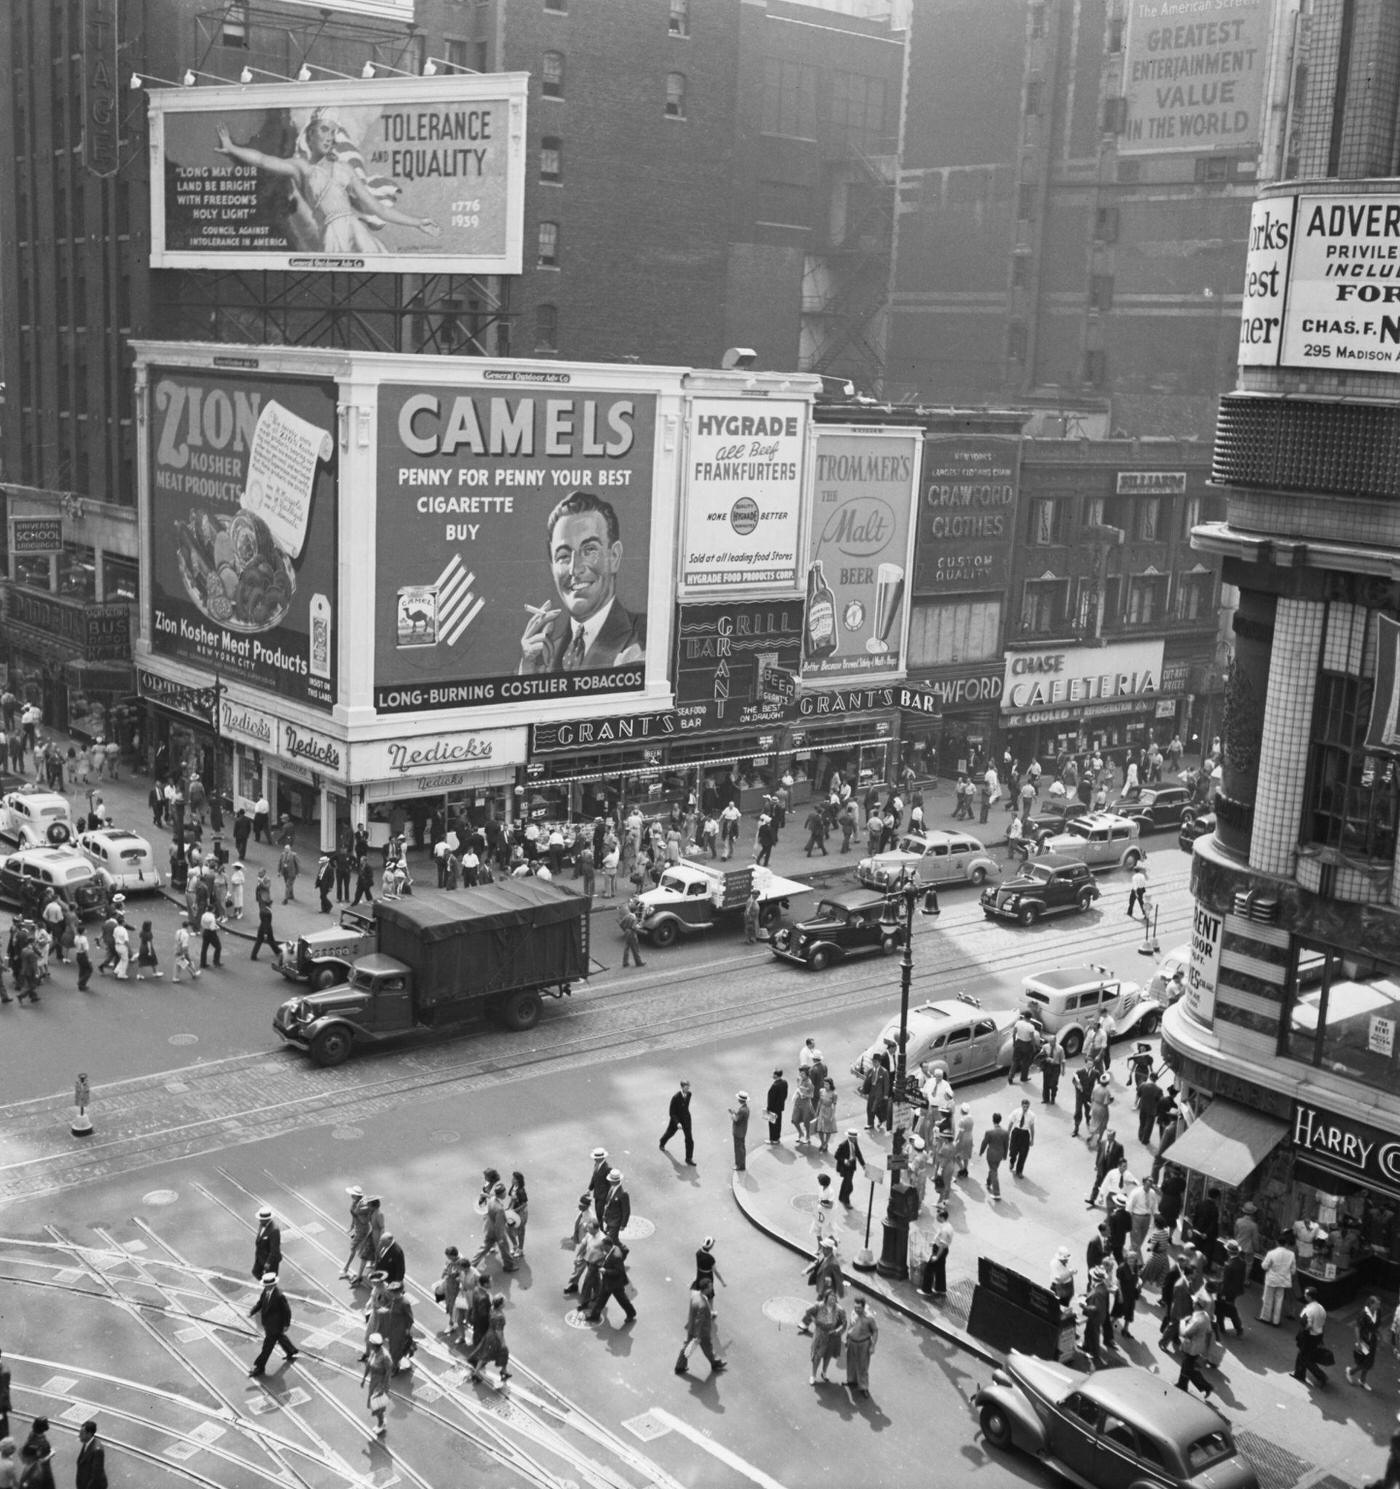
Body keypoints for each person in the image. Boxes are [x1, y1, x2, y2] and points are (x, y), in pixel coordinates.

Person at [216, 112, 442, 254]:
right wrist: (232, 148)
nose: (330, 137)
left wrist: (417, 222)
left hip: (356, 229)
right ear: (310, 135)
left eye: (333, 132)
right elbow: (264, 160)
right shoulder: (301, 167)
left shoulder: (345, 170)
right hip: (333, 233)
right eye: (324, 130)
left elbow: (379, 209)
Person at [519, 492, 647, 673]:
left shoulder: (643, 639)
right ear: (552, 566)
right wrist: (527, 669)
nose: (574, 569)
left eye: (589, 550)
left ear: (614, 556)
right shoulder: (546, 655)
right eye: (563, 556)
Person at [248, 1273, 297, 1376]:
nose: (264, 1287)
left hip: (275, 1326)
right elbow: (260, 1303)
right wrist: (252, 1311)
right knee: (280, 1338)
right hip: (269, 1324)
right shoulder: (265, 1292)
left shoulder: (279, 1296)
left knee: (267, 1348)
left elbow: (286, 1311)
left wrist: (286, 1325)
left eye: (266, 1285)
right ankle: (291, 1350)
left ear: (272, 1285)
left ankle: (259, 1367)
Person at [675, 1284, 726, 1377]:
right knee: (707, 1348)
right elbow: (699, 1321)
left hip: (691, 1327)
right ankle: (714, 1363)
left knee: (686, 1347)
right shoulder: (703, 1305)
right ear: (705, 1289)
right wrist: (697, 1336)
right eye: (710, 1287)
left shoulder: (695, 1296)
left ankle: (679, 1366)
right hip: (702, 1332)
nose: (711, 1289)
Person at [584, 1237, 636, 1324]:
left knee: (622, 1300)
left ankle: (631, 1313)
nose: (602, 1248)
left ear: (607, 1246)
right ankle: (594, 1316)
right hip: (608, 1282)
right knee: (601, 1299)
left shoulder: (615, 1256)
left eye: (603, 1246)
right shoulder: (613, 1249)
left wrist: (606, 1271)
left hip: (615, 1284)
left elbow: (619, 1271)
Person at [1176, 1294, 1214, 1398]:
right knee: (1187, 1367)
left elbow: (1185, 1333)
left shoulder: (1197, 1320)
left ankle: (1206, 1386)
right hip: (1198, 1347)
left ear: (1196, 1305)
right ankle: (1182, 1384)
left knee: (1188, 1368)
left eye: (1194, 1302)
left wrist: (1182, 1322)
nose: (1192, 1303)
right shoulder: (1205, 1316)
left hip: (1191, 1347)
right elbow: (1209, 1332)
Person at [808, 1285, 846, 1385]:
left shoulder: (839, 1309)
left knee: (827, 1357)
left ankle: (824, 1373)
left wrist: (837, 1330)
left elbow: (844, 1323)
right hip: (820, 1336)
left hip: (832, 1336)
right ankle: (813, 1375)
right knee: (817, 1356)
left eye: (834, 1298)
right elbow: (809, 1312)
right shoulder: (819, 1306)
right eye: (831, 1297)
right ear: (826, 1297)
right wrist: (815, 1322)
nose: (833, 1299)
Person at [1293, 1286, 1329, 1386]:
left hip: (1309, 1336)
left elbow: (1307, 1325)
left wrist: (1304, 1330)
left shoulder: (1309, 1310)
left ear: (1309, 1297)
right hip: (1318, 1335)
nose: (1304, 1295)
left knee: (1305, 1357)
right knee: (1302, 1355)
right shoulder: (1321, 1308)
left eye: (1305, 1294)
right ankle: (1299, 1374)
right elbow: (1323, 1323)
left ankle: (1321, 1376)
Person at [844, 1297, 878, 1398]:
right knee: (851, 1362)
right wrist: (847, 1338)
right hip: (852, 1342)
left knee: (863, 1366)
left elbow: (875, 1331)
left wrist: (873, 1346)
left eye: (859, 1308)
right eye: (855, 1307)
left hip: (863, 1344)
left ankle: (863, 1387)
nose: (856, 1309)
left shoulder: (870, 1318)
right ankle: (851, 1381)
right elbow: (850, 1326)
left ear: (863, 1307)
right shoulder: (853, 1313)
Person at [1348, 1294, 1381, 1389]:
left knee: (1369, 1361)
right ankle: (1350, 1372)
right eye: (1377, 1304)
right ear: (1371, 1304)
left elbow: (1376, 1326)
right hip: (1363, 1341)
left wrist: (1377, 1335)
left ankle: (1362, 1380)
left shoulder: (1377, 1312)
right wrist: (1358, 1342)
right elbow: (1357, 1328)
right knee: (1363, 1362)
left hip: (1372, 1341)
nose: (1378, 1306)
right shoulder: (1363, 1314)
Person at [362, 1332, 392, 1436]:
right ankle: (382, 1419)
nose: (368, 1344)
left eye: (370, 1343)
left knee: (376, 1405)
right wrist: (364, 1378)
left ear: (374, 1345)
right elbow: (369, 1364)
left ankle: (381, 1424)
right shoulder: (373, 1352)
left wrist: (383, 1388)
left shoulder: (385, 1357)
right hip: (374, 1381)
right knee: (375, 1404)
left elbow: (388, 1372)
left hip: (381, 1383)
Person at [659, 1079, 695, 1165]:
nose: (688, 1089)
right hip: (676, 1120)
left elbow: (685, 1107)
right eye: (686, 1087)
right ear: (682, 1087)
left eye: (688, 1087)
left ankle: (689, 1158)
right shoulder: (675, 1097)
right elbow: (671, 1112)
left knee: (689, 1139)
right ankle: (662, 1142)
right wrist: (677, 1123)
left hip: (686, 1120)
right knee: (670, 1133)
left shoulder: (689, 1094)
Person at [921, 1204, 953, 1297]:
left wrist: (936, 1256)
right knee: (940, 1270)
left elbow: (942, 1245)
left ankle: (926, 1290)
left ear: (942, 1217)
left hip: (939, 1251)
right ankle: (940, 1289)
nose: (936, 1218)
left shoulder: (944, 1229)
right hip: (943, 1249)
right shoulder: (948, 1226)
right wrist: (934, 1242)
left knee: (929, 1269)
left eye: (938, 1216)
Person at [979, 1112, 1008, 1199]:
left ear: (993, 1120)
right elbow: (1006, 1145)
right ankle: (988, 1182)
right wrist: (1005, 1155)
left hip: (991, 1155)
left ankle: (997, 1193)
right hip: (999, 1155)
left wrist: (981, 1152)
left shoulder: (989, 1132)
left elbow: (984, 1143)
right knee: (993, 1169)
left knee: (994, 1171)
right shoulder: (1005, 1132)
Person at [250, 873, 278, 961]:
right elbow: (267, 901)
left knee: (268, 937)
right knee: (263, 937)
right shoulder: (264, 891)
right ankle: (253, 955)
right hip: (266, 914)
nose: (270, 884)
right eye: (269, 882)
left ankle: (277, 951)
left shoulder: (260, 890)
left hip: (264, 913)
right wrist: (270, 902)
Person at [834, 1128, 864, 1206]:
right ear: (850, 1137)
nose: (856, 1139)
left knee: (846, 1183)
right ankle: (846, 1201)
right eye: (854, 1138)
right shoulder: (843, 1145)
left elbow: (858, 1154)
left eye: (856, 1138)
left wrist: (863, 1165)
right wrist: (844, 1160)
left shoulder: (855, 1143)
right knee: (849, 1186)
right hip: (845, 1167)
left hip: (852, 1166)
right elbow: (836, 1155)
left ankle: (841, 1197)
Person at [1007, 1099, 1035, 1177]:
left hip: (1025, 1134)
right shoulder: (1016, 1112)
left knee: (1023, 1154)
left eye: (1027, 1106)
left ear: (1029, 1106)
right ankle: (1012, 1161)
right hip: (1016, 1133)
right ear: (1021, 1105)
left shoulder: (1031, 1115)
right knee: (1013, 1151)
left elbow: (1032, 1128)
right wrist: (1008, 1134)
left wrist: (1032, 1139)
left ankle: (1019, 1171)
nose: (1025, 1108)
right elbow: (1011, 1123)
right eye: (1024, 1106)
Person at [253, 1208, 283, 1279]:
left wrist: (268, 1263)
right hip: (261, 1257)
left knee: (269, 1279)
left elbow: (274, 1250)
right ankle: (268, 1287)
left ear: (267, 1219)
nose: (259, 1220)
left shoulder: (274, 1230)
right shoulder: (262, 1224)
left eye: (261, 1219)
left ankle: (271, 1289)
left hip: (270, 1260)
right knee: (256, 1272)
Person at [618, 901, 645, 969]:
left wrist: (625, 929)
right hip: (632, 933)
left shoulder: (627, 916)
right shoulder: (634, 917)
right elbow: (634, 927)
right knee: (635, 948)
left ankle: (625, 962)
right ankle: (638, 962)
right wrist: (642, 931)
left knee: (626, 947)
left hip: (627, 932)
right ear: (635, 910)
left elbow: (621, 923)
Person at [766, 1069, 789, 1144]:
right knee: (778, 1123)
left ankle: (772, 1139)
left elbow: (771, 1098)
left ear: (776, 1075)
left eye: (773, 1074)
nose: (772, 1075)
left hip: (773, 1108)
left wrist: (768, 1108)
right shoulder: (784, 1082)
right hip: (780, 1106)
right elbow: (785, 1095)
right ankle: (777, 1137)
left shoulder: (775, 1086)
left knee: (772, 1124)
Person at [729, 1092, 751, 1172]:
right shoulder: (746, 1108)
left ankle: (739, 1165)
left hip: (738, 1132)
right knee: (741, 1148)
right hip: (742, 1131)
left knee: (738, 1149)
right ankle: (742, 1164)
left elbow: (736, 1119)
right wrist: (735, 1113)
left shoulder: (742, 1110)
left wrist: (732, 1114)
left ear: (740, 1100)